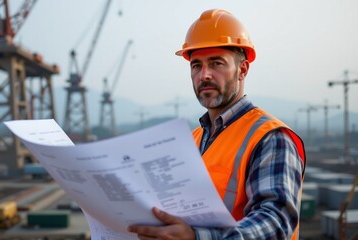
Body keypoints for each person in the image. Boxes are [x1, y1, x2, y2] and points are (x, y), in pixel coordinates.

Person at [128, 9, 306, 240]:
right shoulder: (190, 140)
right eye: (196, 66)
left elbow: (275, 223)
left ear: (242, 70)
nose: (204, 75)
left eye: (216, 63)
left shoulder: (270, 137)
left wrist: (197, 237)